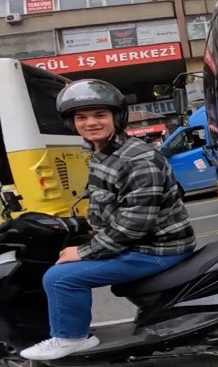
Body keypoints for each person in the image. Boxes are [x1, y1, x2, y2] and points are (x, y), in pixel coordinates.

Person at [20, 79, 196, 361]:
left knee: (60, 278)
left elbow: (135, 224)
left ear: (117, 117)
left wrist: (83, 251)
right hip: (141, 244)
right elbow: (109, 206)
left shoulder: (137, 160)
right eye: (81, 117)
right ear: (71, 123)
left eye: (100, 115)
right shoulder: (103, 153)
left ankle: (71, 338)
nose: (91, 123)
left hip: (157, 250)